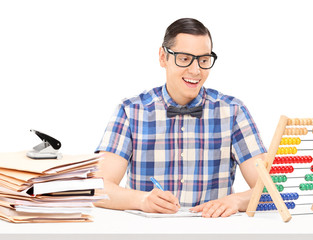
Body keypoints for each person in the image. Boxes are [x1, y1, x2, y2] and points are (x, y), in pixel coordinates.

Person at [94, 18, 266, 218]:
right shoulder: (131, 111)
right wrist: (142, 200)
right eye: (184, 59)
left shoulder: (233, 111)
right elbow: (96, 188)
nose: (195, 71)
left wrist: (236, 200)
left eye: (203, 60)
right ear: (162, 57)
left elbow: (271, 188)